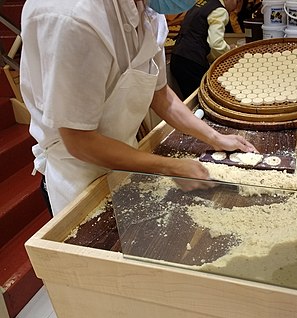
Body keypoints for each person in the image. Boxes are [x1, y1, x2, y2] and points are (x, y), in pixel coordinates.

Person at [20, 0, 257, 216]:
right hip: (76, 173)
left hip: (127, 157)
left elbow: (162, 96)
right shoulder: (73, 19)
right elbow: (78, 140)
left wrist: (215, 138)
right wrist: (169, 166)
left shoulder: (148, 13)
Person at [170, 0, 239, 100]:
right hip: (193, 62)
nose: (235, 8)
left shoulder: (200, 3)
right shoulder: (219, 10)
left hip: (177, 57)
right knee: (203, 101)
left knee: (192, 100)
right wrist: (230, 53)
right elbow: (216, 44)